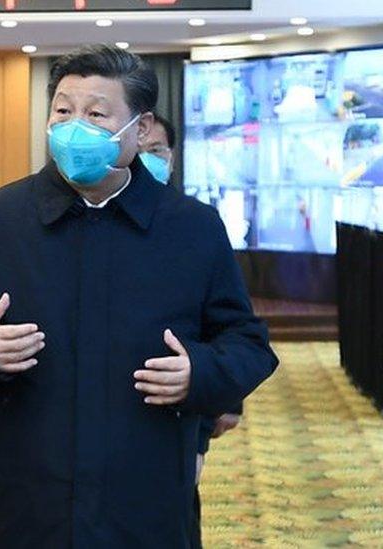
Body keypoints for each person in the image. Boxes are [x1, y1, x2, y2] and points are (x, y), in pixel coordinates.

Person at [0, 45, 278, 548]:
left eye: (96, 113)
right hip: (25, 495)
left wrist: (200, 372)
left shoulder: (191, 228)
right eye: (63, 110)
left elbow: (246, 342)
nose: (74, 126)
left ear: (141, 128)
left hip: (143, 495)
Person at [140, 114, 243, 547]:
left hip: (184, 408)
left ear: (172, 157)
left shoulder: (196, 224)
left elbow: (225, 324)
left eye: (156, 152)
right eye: (140, 151)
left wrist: (225, 397)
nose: (147, 160)